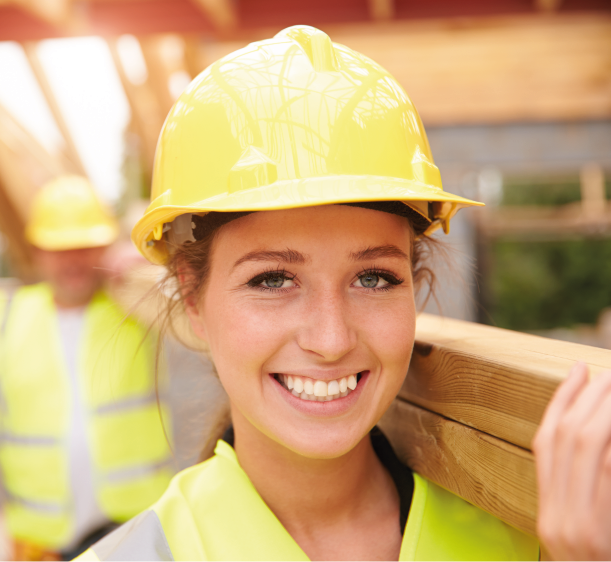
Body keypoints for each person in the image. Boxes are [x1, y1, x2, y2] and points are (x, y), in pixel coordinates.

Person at [74, 26, 611, 562]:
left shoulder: (533, 543)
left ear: (416, 285)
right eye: (272, 280)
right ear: (193, 300)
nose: (331, 340)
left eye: (373, 278)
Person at [0, 176, 174, 562]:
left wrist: (147, 262)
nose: (74, 259)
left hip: (133, 536)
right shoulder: (6, 318)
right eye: (60, 247)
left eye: (85, 245)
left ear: (105, 246)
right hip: (40, 545)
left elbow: (192, 298)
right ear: (36, 251)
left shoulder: (137, 308)